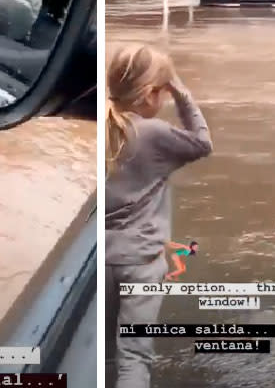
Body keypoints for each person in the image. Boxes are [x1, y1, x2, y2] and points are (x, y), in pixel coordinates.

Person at [105, 44, 213, 388]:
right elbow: (202, 142)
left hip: (99, 257)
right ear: (151, 94)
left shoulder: (104, 127)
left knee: (106, 350)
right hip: (140, 262)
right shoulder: (151, 133)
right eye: (163, 92)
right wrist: (181, 91)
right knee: (134, 358)